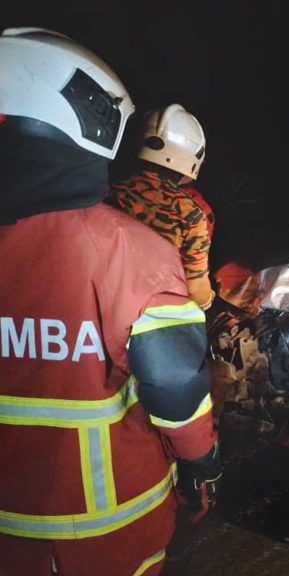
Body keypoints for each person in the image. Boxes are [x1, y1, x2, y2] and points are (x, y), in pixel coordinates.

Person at [0, 28, 220, 576]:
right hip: (105, 527)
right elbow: (175, 377)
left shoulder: (119, 192)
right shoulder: (166, 230)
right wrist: (203, 462)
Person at [109, 103, 216, 311]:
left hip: (102, 296)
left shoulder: (110, 186)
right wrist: (207, 301)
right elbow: (196, 287)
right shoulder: (189, 214)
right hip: (146, 311)